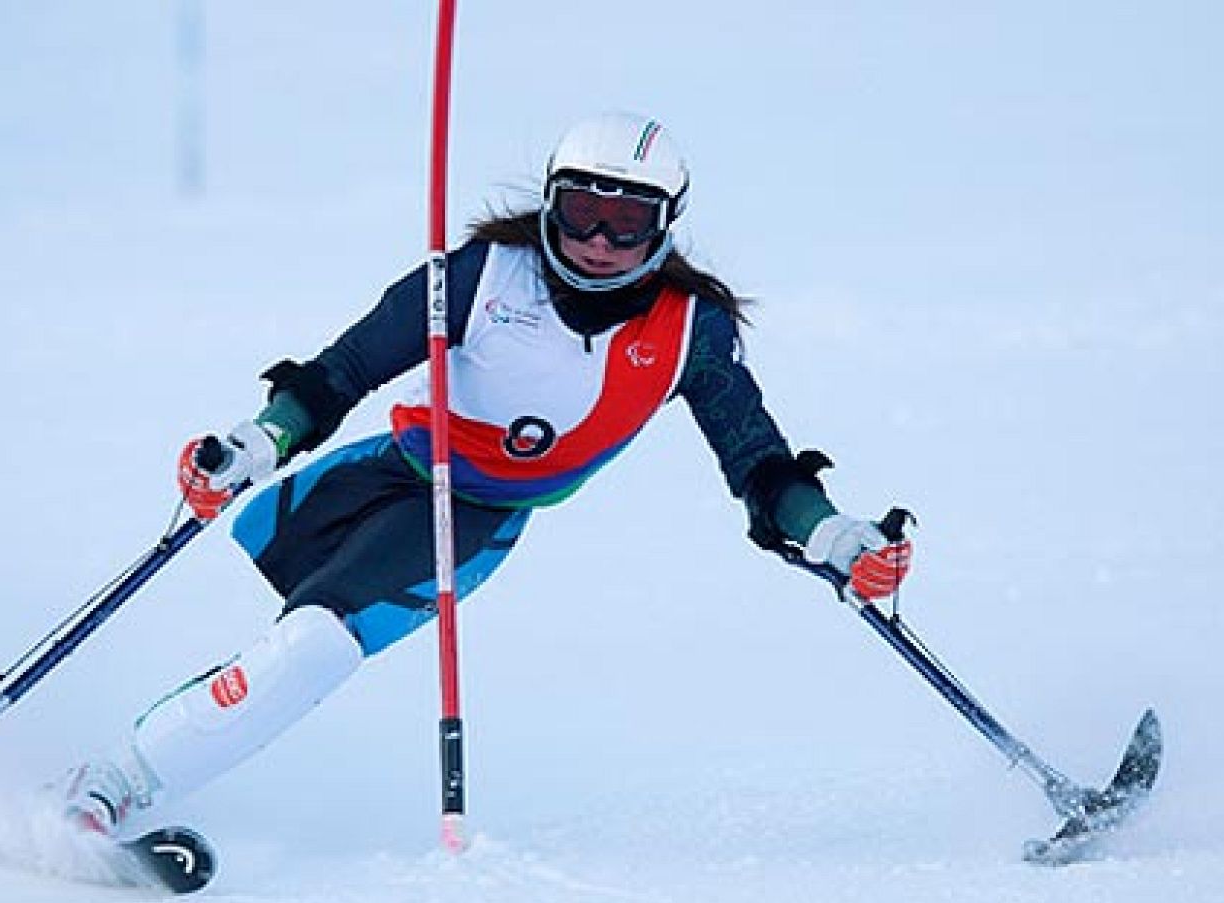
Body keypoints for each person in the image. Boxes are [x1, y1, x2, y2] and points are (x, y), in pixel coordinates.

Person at [60, 112, 912, 840]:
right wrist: (248, 448)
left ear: (666, 227)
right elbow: (341, 371)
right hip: (389, 472)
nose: (601, 242)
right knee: (287, 641)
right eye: (581, 212)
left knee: (317, 642)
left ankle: (115, 785)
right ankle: (117, 769)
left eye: (629, 223)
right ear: (550, 201)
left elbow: (757, 460)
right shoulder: (473, 278)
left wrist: (835, 537)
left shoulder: (691, 330)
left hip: (472, 513)